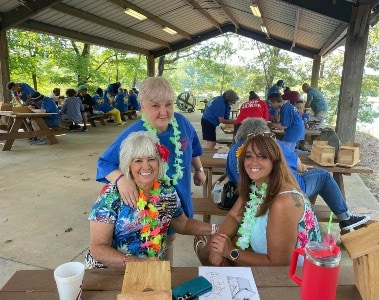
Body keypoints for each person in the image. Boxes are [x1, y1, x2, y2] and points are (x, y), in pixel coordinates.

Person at [96, 76, 206, 262]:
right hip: (150, 203)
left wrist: (199, 169)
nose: (163, 112)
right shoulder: (134, 134)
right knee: (154, 241)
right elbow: (104, 163)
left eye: (168, 104)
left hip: (179, 195)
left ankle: (165, 272)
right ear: (142, 106)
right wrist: (121, 180)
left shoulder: (182, 122)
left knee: (171, 237)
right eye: (155, 105)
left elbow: (194, 148)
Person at [86, 131, 217, 268]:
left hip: (151, 269)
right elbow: (98, 248)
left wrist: (215, 229)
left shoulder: (166, 191)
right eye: (138, 161)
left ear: (159, 161)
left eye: (151, 159)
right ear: (128, 165)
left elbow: (182, 224)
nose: (146, 166)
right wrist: (137, 264)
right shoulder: (112, 196)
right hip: (110, 273)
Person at [195, 131, 321, 266]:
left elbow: (280, 264)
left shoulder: (283, 202)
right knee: (216, 245)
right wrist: (217, 243)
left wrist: (230, 252)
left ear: (275, 161)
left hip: (293, 277)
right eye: (249, 156)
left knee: (221, 257)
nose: (253, 163)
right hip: (267, 258)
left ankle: (203, 254)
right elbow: (234, 216)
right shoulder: (257, 185)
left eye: (262, 157)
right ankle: (204, 253)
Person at [226, 118, 370, 231]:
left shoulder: (233, 151)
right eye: (249, 157)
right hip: (282, 193)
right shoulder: (270, 144)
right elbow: (299, 165)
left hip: (251, 195)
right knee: (323, 174)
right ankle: (346, 218)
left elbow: (232, 178)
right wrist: (299, 166)